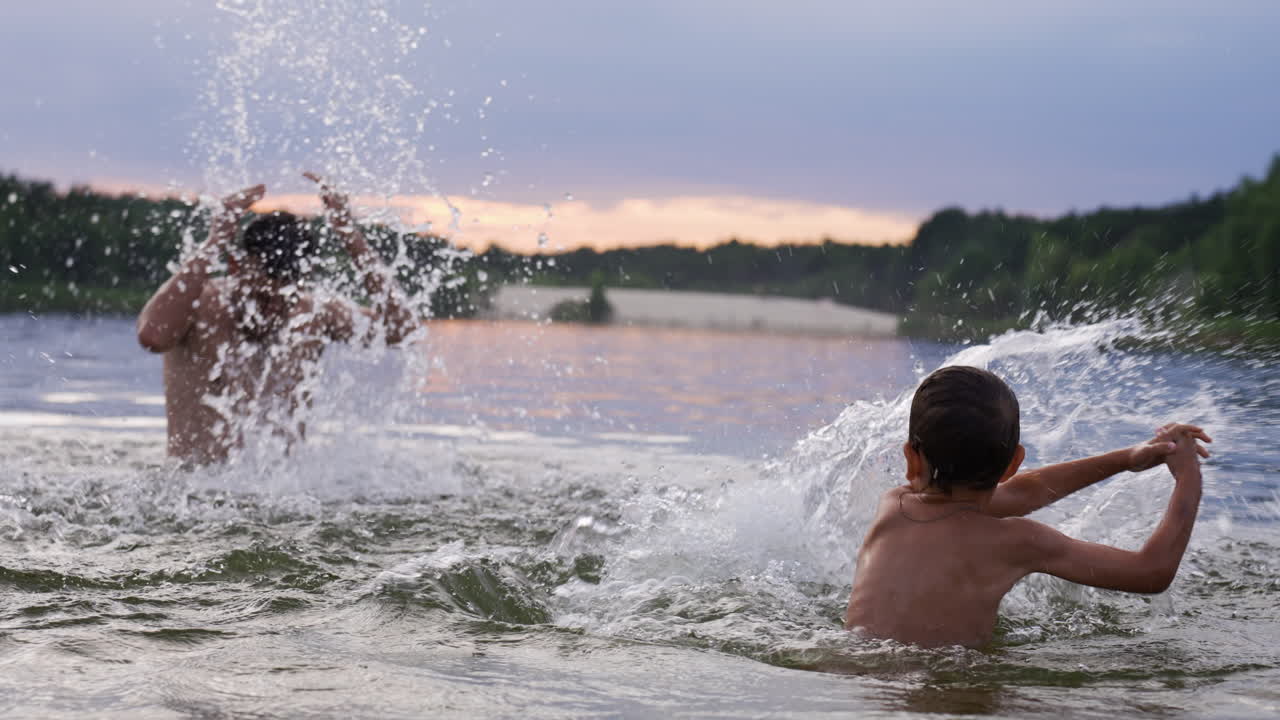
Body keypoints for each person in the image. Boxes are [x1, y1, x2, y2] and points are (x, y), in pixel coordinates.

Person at [844, 365, 1211, 648]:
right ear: (1014, 462)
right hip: (950, 688)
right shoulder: (1018, 542)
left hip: (859, 676)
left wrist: (1128, 459)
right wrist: (1188, 479)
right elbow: (1151, 572)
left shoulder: (894, 504)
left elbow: (1024, 494)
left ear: (911, 458)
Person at [136, 172, 415, 464]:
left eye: (283, 299)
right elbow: (153, 337)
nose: (271, 310)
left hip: (277, 493)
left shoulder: (313, 314)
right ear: (236, 267)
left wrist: (350, 235)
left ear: (303, 281)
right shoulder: (201, 305)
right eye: (260, 297)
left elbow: (403, 332)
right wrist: (215, 240)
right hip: (196, 493)